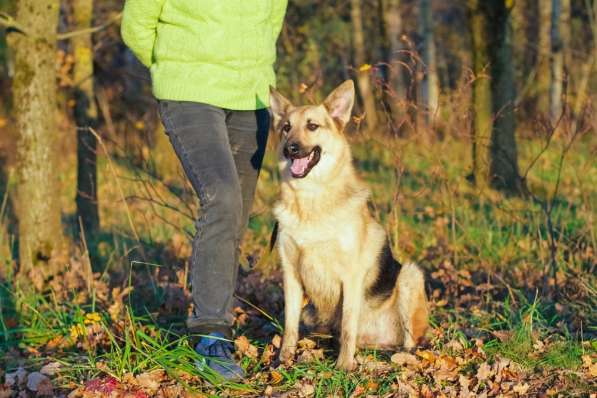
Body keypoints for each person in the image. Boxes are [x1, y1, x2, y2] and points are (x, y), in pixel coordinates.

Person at [121, 0, 288, 380]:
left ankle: (221, 324)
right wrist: (176, 65)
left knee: (236, 215)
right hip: (190, 92)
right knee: (222, 196)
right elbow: (136, 26)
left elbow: (272, 20)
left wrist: (256, 69)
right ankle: (210, 336)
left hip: (252, 97)